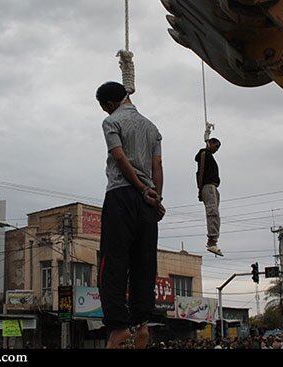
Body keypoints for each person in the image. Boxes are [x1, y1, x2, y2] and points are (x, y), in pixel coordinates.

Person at [96, 81, 166, 349]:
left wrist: (139, 188)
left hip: (122, 195)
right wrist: (155, 196)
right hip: (148, 201)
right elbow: (157, 165)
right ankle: (142, 325)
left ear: (108, 104)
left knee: (113, 262)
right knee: (144, 263)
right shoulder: (152, 127)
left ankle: (118, 328)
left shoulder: (111, 121)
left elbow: (120, 157)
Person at [195, 138, 223, 256]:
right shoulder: (204, 154)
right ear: (210, 144)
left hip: (212, 187)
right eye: (215, 146)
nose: (216, 150)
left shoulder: (208, 156)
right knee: (213, 212)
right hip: (208, 186)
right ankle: (212, 241)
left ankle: (214, 240)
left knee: (215, 214)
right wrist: (200, 190)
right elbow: (200, 172)